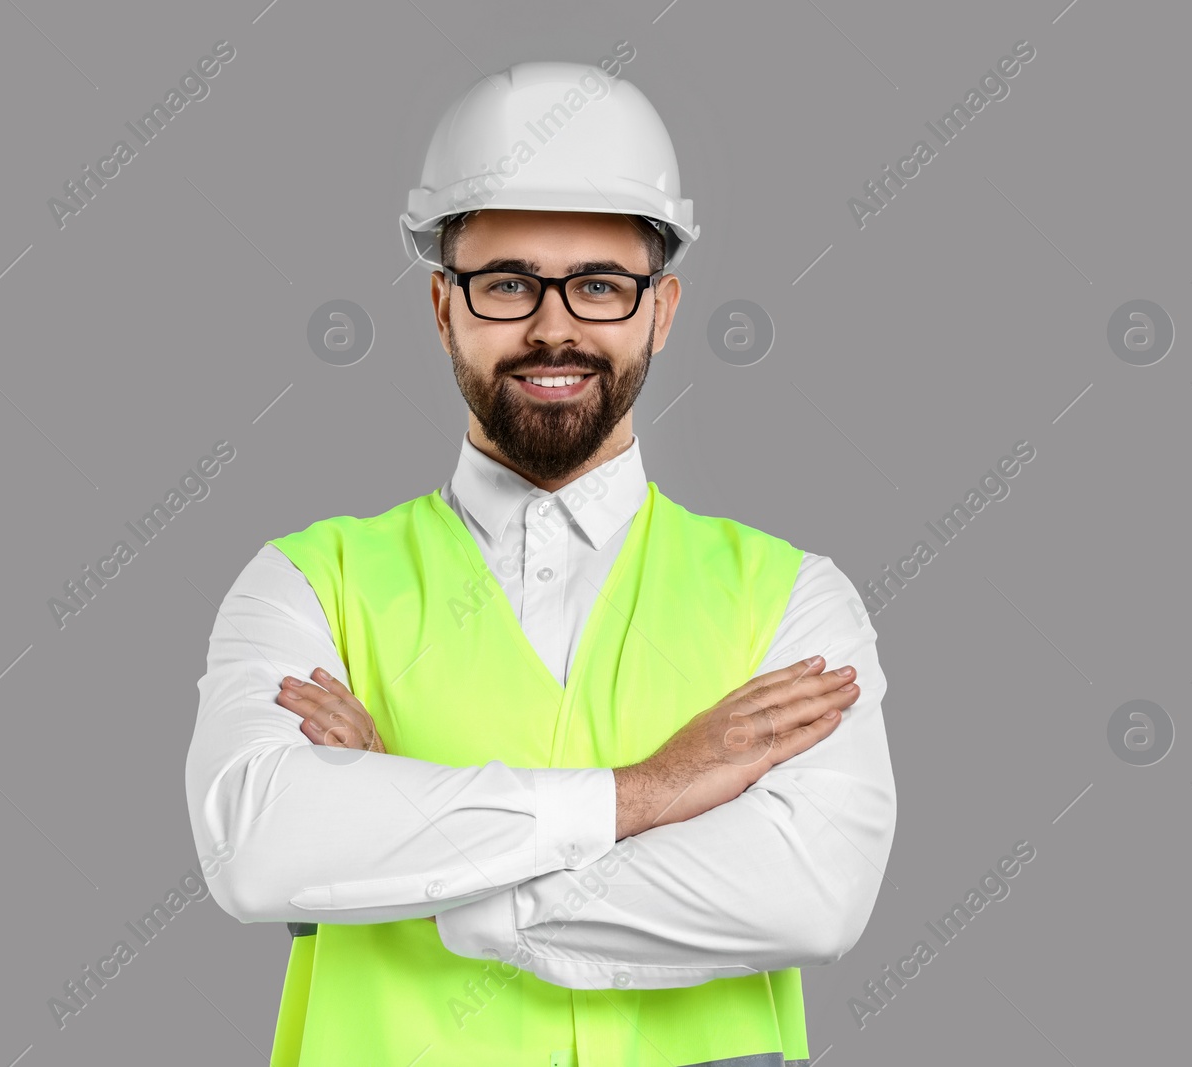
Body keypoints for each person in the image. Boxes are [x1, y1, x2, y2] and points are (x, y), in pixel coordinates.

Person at [184, 59, 897, 1067]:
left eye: (600, 285)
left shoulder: (791, 600)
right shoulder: (307, 584)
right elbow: (256, 851)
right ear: (444, 307)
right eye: (508, 282)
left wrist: (414, 854)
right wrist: (647, 794)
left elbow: (811, 894)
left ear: (661, 309)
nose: (553, 325)